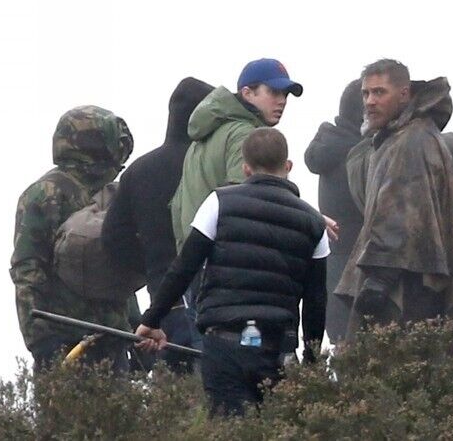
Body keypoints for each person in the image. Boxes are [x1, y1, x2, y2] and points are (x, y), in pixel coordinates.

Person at [136, 128, 329, 416]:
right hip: (277, 348)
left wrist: (152, 319)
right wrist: (311, 362)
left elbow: (183, 268)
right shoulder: (314, 222)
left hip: (224, 344)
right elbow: (316, 300)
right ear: (288, 166)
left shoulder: (218, 203)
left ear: (246, 168)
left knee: (228, 428)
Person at [335, 59, 453, 350]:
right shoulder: (396, 137)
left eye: (379, 93)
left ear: (404, 94)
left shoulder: (412, 140)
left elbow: (400, 214)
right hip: (406, 276)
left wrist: (378, 279)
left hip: (408, 284)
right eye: (366, 94)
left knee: (395, 375)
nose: (370, 102)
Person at [169, 59, 304, 348]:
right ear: (247, 93)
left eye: (286, 95)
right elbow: (248, 203)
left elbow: (181, 204)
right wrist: (305, 218)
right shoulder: (247, 136)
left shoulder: (206, 135)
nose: (282, 101)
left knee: (209, 368)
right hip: (229, 274)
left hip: (199, 267)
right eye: (274, 92)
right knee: (249, 372)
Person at [102, 77, 213, 371]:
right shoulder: (207, 165)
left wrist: (154, 266)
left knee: (178, 399)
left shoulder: (139, 171)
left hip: (163, 301)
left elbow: (113, 239)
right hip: (212, 294)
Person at [11, 105, 134, 370]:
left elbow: (118, 269)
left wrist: (134, 326)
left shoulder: (105, 192)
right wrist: (40, 339)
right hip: (68, 338)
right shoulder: (48, 194)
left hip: (105, 336)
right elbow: (28, 269)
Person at [304, 79, 365, 344]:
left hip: (332, 260)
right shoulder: (361, 153)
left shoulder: (331, 147)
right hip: (360, 261)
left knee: (344, 350)